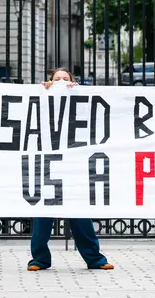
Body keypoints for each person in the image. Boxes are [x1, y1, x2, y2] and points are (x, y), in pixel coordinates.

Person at [27, 68, 113, 271]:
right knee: (43, 217)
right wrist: (44, 91)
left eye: (66, 79)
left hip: (74, 166)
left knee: (80, 216)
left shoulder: (80, 98)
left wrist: (79, 91)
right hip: (49, 165)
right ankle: (39, 259)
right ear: (49, 82)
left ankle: (95, 259)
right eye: (57, 79)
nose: (62, 82)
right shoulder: (42, 96)